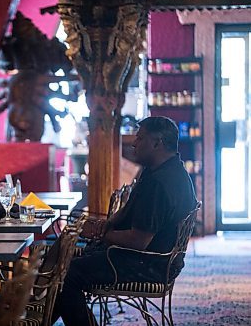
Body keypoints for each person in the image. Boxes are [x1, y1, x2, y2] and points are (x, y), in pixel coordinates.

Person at [52, 116, 198, 326]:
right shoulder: (166, 170)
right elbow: (128, 210)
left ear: (157, 143)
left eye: (140, 138)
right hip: (156, 259)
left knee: (69, 274)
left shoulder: (159, 184)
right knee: (66, 261)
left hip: (149, 264)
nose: (134, 143)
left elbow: (138, 241)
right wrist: (106, 225)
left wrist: (99, 234)